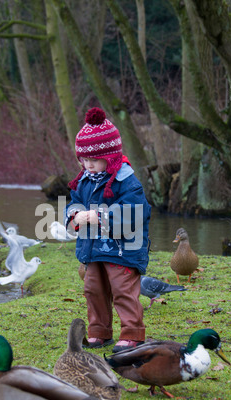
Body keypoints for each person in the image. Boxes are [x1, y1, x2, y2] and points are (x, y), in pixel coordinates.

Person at [66, 107, 151, 353]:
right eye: (84, 160)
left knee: (123, 289)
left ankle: (133, 333)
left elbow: (135, 212)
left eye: (94, 160)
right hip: (92, 248)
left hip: (123, 249)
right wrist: (74, 214)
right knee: (93, 289)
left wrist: (99, 216)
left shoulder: (127, 181)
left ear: (111, 156)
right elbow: (73, 202)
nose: (88, 165)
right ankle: (99, 331)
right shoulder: (83, 180)